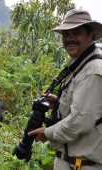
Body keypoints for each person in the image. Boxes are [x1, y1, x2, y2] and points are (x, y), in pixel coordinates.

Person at [28, 9, 102, 170]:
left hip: (84, 164)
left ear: (91, 34)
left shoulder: (93, 70)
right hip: (70, 160)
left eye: (76, 33)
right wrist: (60, 102)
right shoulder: (81, 63)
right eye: (65, 34)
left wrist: (47, 133)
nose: (69, 39)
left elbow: (79, 122)